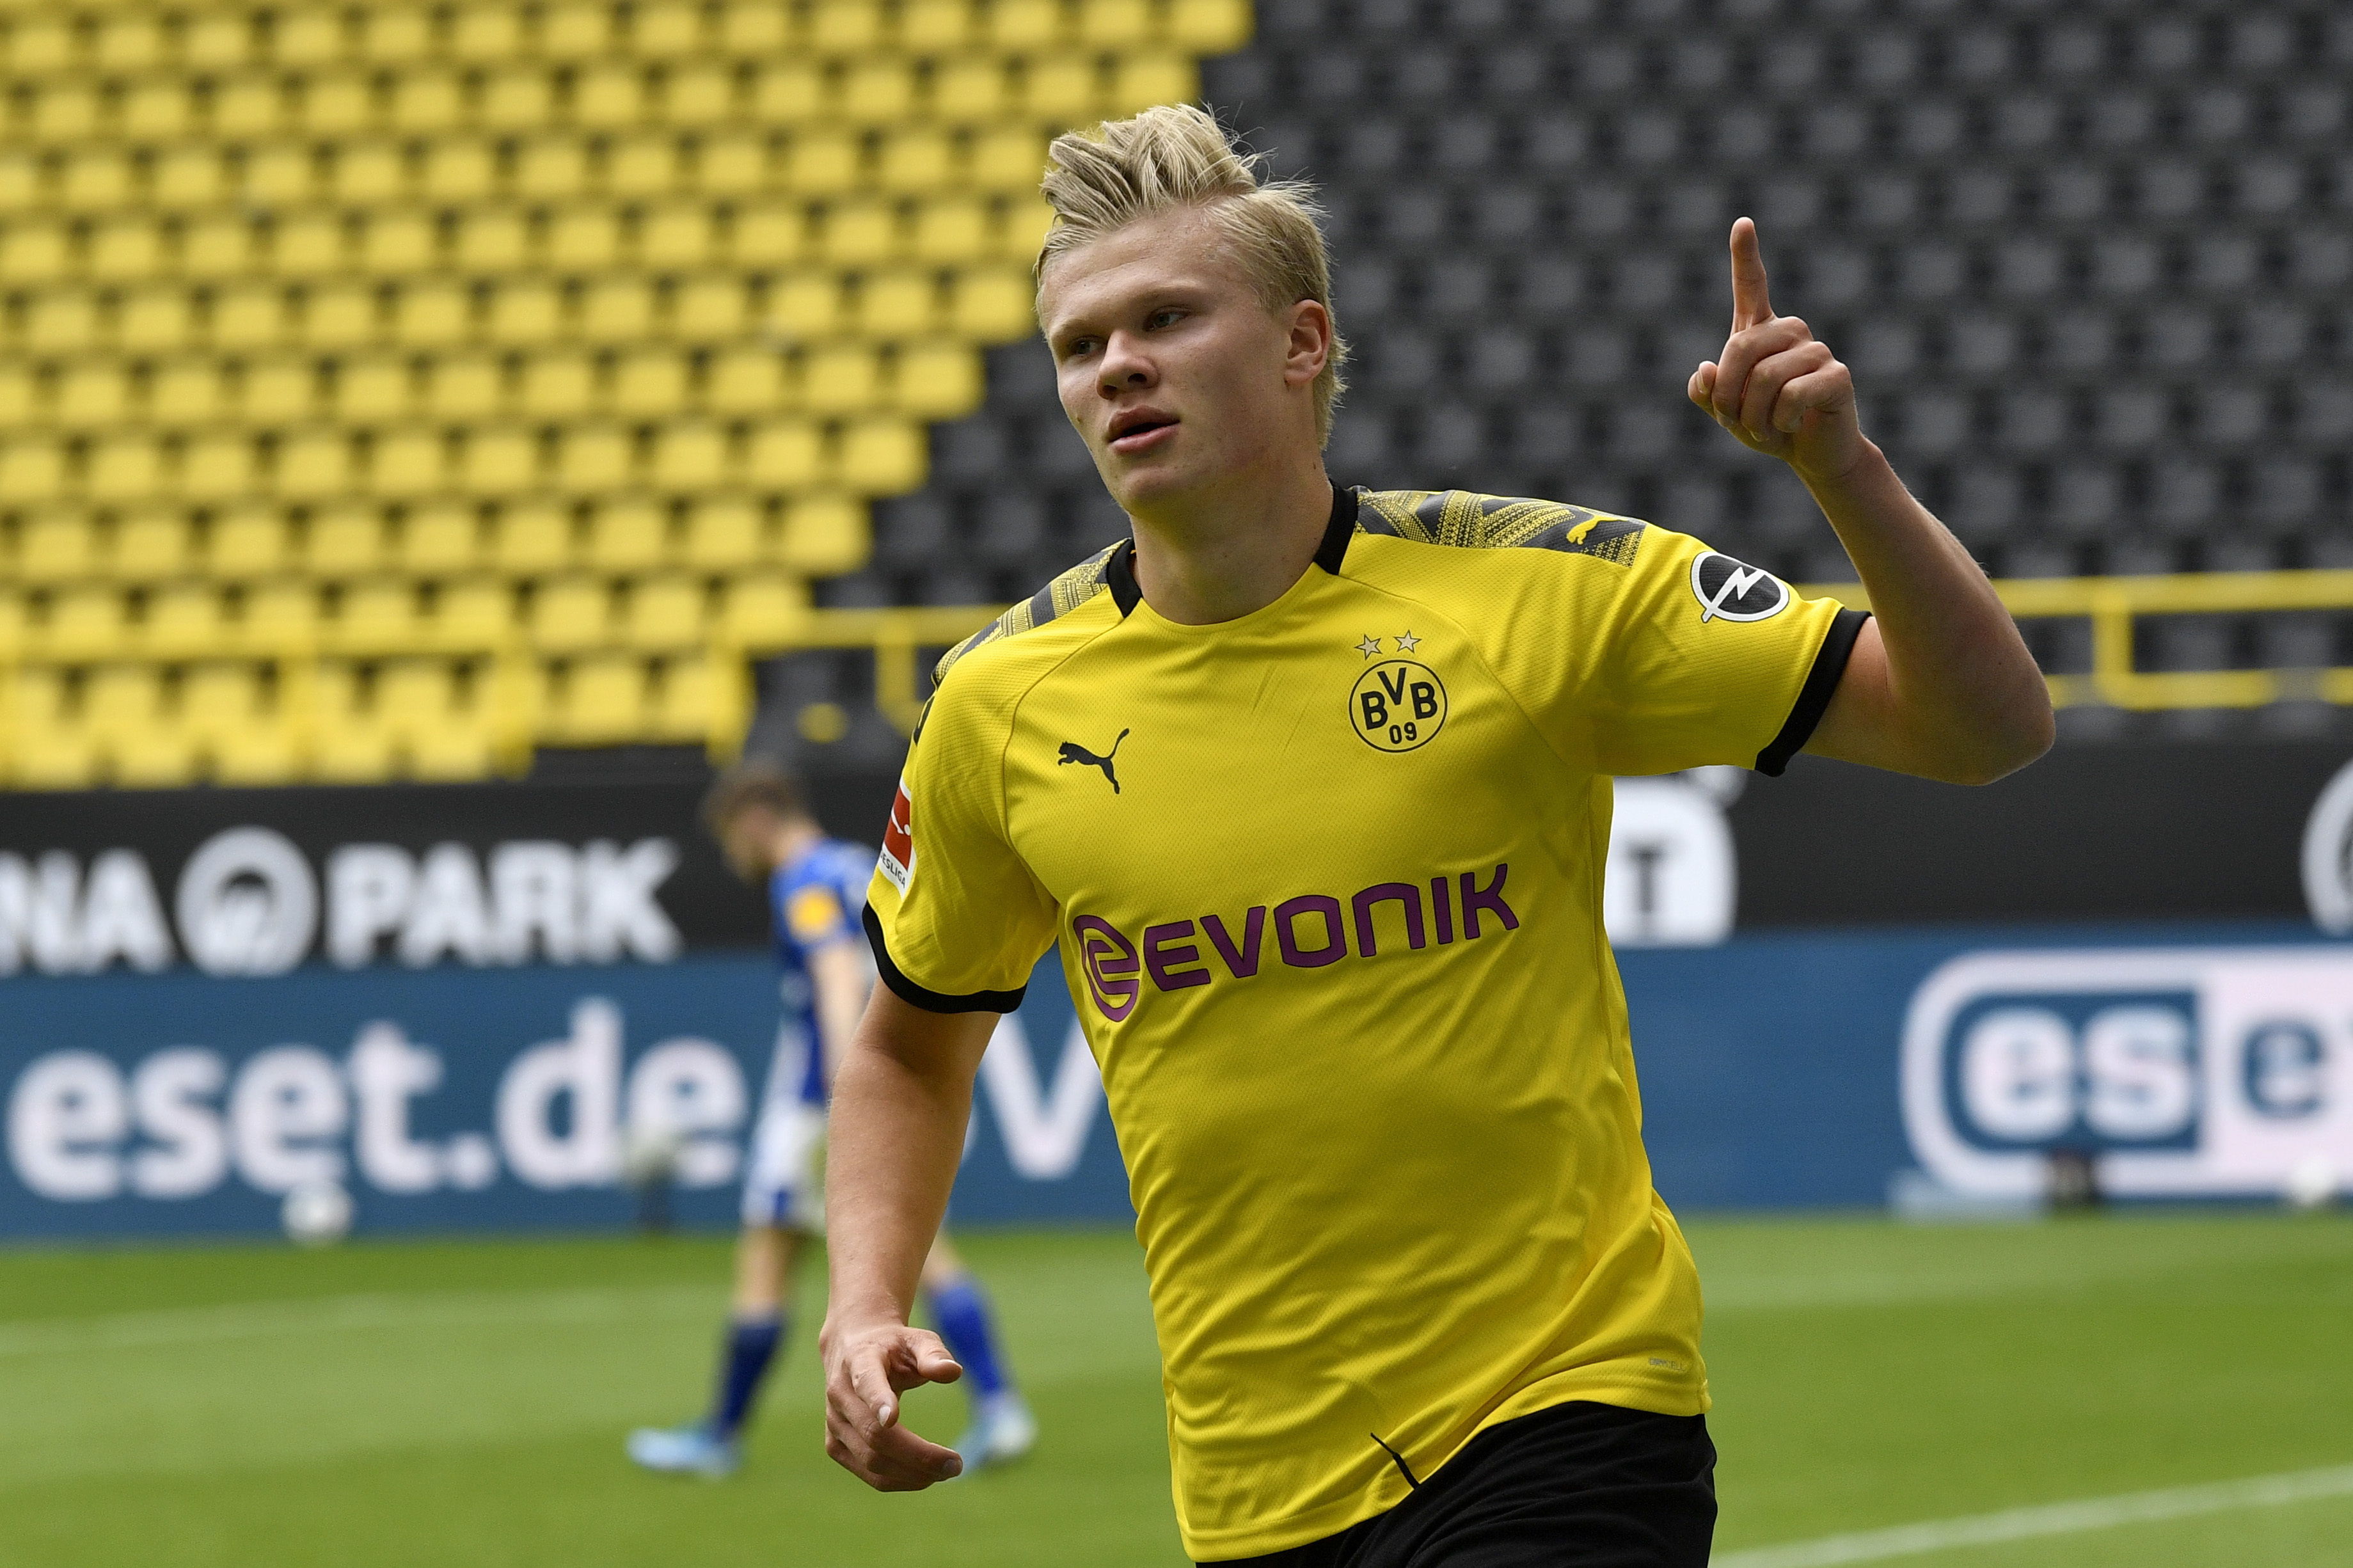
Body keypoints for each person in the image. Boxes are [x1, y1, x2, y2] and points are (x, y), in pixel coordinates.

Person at [820, 105, 2052, 1565]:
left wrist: (1841, 472)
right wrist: (863, 1296)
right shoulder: (997, 706)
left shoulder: (1541, 592)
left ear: (1302, 342)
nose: (1117, 367)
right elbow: (908, 1044)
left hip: (1566, 1409)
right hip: (1253, 1482)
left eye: (1164, 317)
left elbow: (1982, 728)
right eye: (1079, 347)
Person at [626, 761, 1034, 1479]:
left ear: (755, 821)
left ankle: (721, 1437)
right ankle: (999, 1404)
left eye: (730, 839)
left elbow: (834, 979)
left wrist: (852, 1091)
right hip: (873, 1096)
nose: (732, 858)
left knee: (782, 1260)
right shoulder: (858, 864)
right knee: (900, 1246)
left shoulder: (804, 880)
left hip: (822, 1107)